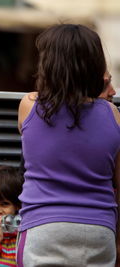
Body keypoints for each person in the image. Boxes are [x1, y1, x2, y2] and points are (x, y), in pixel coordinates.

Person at [17, 24, 120, 266]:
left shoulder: (29, 106)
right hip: (99, 231)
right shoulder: (113, 115)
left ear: (50, 65)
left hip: (42, 228)